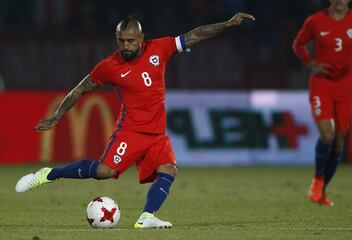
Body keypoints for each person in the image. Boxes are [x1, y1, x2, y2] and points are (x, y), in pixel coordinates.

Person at [15, 13, 255, 228]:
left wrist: (228, 24)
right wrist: (56, 117)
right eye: (121, 41)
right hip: (131, 131)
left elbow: (194, 35)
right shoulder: (110, 66)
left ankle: (146, 217)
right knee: (104, 171)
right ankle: (49, 174)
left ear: (142, 38)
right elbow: (80, 89)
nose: (125, 46)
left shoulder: (160, 48)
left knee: (169, 170)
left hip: (157, 133)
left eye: (130, 41)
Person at [292, 0, 352, 206]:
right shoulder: (315, 21)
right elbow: (298, 44)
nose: (340, 1)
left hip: (346, 87)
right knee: (327, 134)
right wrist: (311, 63)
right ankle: (317, 181)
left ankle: (322, 190)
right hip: (322, 84)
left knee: (339, 140)